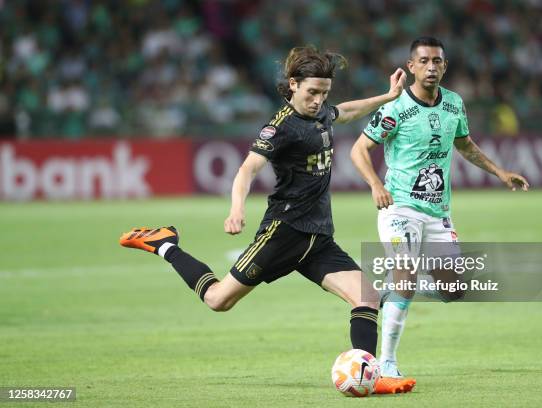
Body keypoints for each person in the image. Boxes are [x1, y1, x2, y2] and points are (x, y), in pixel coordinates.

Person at [119, 46, 415, 394]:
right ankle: (164, 243)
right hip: (283, 232)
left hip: (318, 238)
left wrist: (389, 95)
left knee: (366, 297)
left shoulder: (321, 114)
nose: (318, 100)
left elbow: (345, 112)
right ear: (293, 85)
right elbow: (248, 169)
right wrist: (237, 209)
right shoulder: (280, 128)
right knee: (217, 300)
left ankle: (369, 375)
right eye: (311, 93)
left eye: (323, 93)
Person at [350, 37, 529, 381]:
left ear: (444, 66)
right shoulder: (395, 107)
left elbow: (464, 144)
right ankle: (386, 362)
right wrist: (376, 184)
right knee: (404, 270)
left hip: (437, 213)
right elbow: (359, 149)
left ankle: (399, 290)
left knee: (455, 290)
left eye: (437, 61)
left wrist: (499, 172)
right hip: (398, 209)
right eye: (424, 61)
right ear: (411, 66)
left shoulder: (454, 104)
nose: (431, 67)